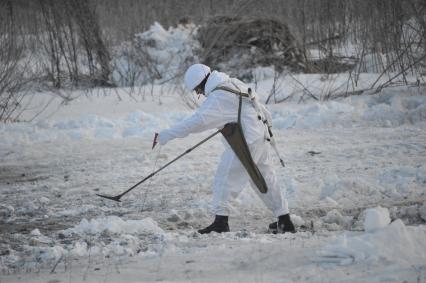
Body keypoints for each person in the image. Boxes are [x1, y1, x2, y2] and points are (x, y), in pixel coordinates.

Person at [153, 64, 295, 234]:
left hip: (245, 143)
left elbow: (196, 122)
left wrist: (166, 135)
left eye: (198, 89)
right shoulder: (233, 83)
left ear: (202, 83)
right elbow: (259, 108)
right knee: (265, 177)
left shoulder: (218, 98)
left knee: (225, 178)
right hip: (261, 136)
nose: (199, 94)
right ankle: (284, 220)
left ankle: (221, 223)